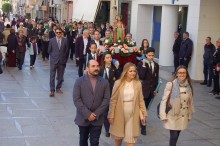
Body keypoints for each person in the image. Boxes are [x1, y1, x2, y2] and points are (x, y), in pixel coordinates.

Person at [108, 62, 147, 146]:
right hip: (119, 113)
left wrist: (144, 113)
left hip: (133, 113)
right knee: (118, 139)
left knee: (131, 140)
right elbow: (113, 100)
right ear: (125, 72)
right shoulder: (118, 83)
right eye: (130, 71)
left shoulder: (138, 83)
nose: (133, 73)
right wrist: (111, 115)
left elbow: (141, 99)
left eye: (134, 71)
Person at [73, 60, 110, 146]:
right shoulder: (79, 81)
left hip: (98, 118)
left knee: (95, 142)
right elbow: (76, 99)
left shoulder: (104, 82)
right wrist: (88, 114)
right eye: (93, 66)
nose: (96, 68)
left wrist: (95, 114)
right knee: (83, 140)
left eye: (97, 66)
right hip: (83, 117)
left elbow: (106, 99)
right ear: (87, 68)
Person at [159, 65, 194, 146]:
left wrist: (189, 115)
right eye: (180, 73)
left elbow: (190, 102)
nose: (182, 74)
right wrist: (163, 115)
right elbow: (164, 100)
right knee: (174, 136)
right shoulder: (170, 84)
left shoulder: (188, 86)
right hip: (173, 114)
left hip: (183, 114)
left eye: (184, 73)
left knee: (177, 134)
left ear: (186, 74)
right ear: (176, 74)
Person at [137, 47, 159, 135]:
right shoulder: (141, 64)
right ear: (146, 55)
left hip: (151, 91)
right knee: (143, 109)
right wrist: (143, 66)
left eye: (153, 55)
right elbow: (141, 76)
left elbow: (156, 78)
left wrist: (156, 90)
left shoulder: (156, 65)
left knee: (146, 108)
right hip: (143, 90)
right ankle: (143, 126)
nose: (151, 57)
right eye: (149, 55)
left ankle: (141, 120)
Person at [99, 52, 121, 137]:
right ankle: (107, 129)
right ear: (104, 59)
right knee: (105, 112)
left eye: (110, 57)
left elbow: (119, 78)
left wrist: (118, 68)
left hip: (112, 92)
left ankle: (113, 127)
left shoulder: (114, 68)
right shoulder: (100, 69)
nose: (109, 59)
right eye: (107, 58)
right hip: (103, 94)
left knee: (112, 111)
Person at [48, 28, 69, 97]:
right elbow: (49, 50)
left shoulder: (65, 40)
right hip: (54, 61)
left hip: (62, 61)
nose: (58, 34)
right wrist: (52, 57)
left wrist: (65, 59)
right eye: (57, 32)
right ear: (55, 33)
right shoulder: (51, 40)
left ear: (62, 33)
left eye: (60, 32)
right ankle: (52, 90)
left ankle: (58, 88)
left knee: (60, 75)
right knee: (52, 76)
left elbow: (67, 51)